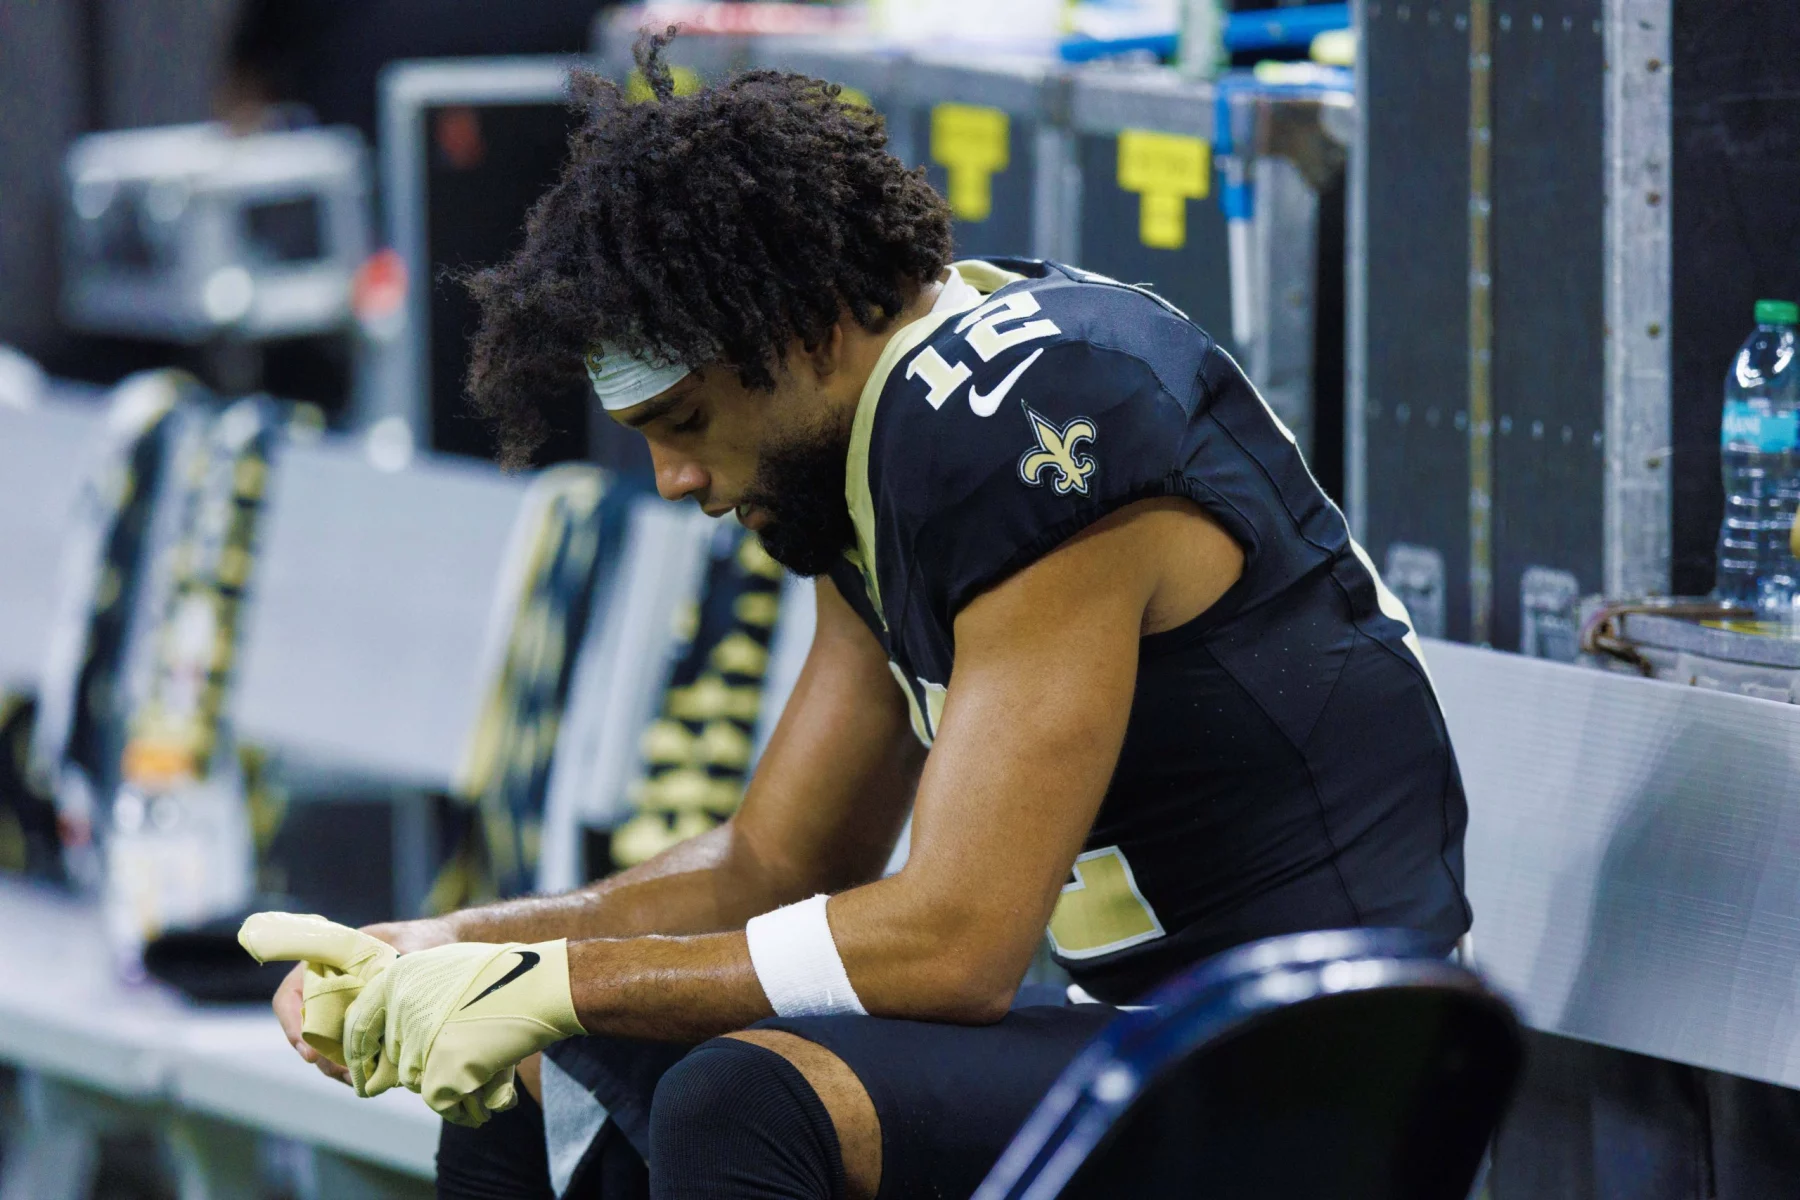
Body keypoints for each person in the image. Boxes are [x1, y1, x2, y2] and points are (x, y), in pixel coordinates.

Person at [246, 36, 1471, 1200]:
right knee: (534, 1061)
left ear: (807, 333)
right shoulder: (872, 446)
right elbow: (773, 865)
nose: (673, 481)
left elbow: (957, 946)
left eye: (685, 422)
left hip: (1324, 1066)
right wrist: (457, 947)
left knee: (745, 1102)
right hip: (1139, 1036)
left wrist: (562, 980)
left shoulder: (1016, 425)